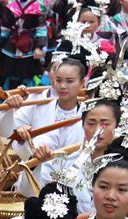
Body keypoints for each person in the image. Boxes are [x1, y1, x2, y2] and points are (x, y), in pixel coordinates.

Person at [8, 57, 87, 197]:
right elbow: (9, 129)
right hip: (38, 178)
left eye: (69, 81)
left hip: (74, 185)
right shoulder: (38, 102)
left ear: (82, 83)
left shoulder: (89, 115)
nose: (62, 86)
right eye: (58, 80)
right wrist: (10, 109)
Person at [0, 0, 48, 89]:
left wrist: (39, 47)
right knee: (8, 76)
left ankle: (29, 100)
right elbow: (5, 28)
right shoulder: (10, 5)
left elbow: (41, 28)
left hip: (30, 48)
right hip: (10, 47)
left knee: (29, 76)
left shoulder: (37, 5)